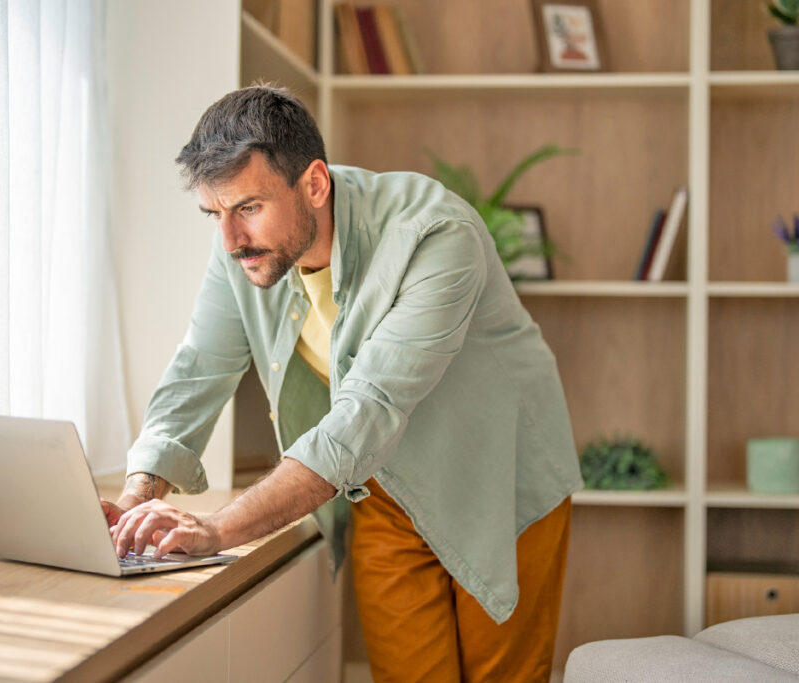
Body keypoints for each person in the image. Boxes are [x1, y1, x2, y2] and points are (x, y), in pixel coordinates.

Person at [102, 85, 583, 682]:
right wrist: (136, 499)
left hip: (499, 480)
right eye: (214, 214)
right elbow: (198, 367)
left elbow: (370, 408)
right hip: (383, 486)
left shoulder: (435, 235)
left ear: (314, 184)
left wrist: (218, 529)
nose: (229, 241)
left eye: (248, 208)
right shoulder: (243, 248)